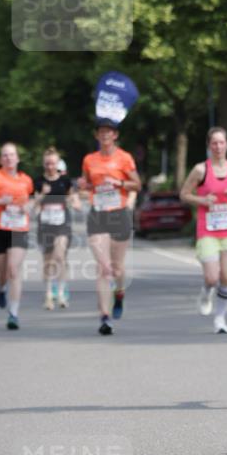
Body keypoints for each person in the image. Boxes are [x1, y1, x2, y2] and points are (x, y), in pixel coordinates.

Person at [180, 127, 227, 334]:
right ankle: (207, 290)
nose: (218, 147)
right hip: (207, 229)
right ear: (209, 146)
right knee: (212, 277)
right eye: (214, 143)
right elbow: (184, 193)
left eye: (221, 142)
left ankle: (220, 318)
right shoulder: (201, 170)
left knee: (226, 276)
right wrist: (202, 200)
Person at [79, 120, 142, 335]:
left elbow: (137, 184)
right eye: (101, 132)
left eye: (108, 132)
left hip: (119, 214)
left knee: (117, 268)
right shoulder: (89, 159)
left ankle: (120, 293)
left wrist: (120, 184)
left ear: (115, 135)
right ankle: (104, 317)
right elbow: (86, 185)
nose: (104, 135)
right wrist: (83, 189)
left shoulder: (124, 158)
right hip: (98, 214)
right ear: (97, 136)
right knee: (103, 268)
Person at [0, 142, 34, 330]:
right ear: (1, 159)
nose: (8, 158)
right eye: (5, 155)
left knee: (14, 269)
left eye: (11, 155)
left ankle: (13, 313)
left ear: (17, 158)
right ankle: (1, 287)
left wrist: (28, 207)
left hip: (19, 229)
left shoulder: (26, 180)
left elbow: (29, 201)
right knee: (3, 273)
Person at [34, 146, 81, 310]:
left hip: (62, 223)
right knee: (48, 261)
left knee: (60, 256)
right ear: (43, 164)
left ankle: (61, 293)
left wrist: (74, 202)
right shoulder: (39, 181)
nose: (50, 166)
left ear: (57, 164)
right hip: (45, 224)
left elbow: (73, 196)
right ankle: (48, 294)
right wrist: (41, 196)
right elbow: (33, 204)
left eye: (52, 163)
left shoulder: (64, 181)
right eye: (47, 163)